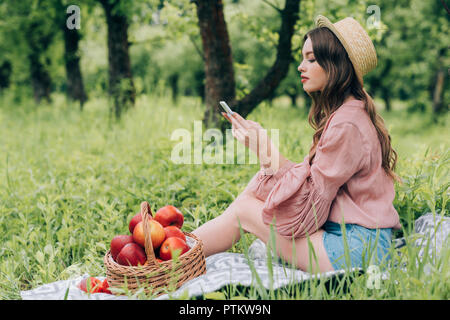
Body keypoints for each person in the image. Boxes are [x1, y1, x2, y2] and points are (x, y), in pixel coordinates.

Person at [192, 15, 401, 273]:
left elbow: (309, 211)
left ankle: (173, 256)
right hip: (353, 242)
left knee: (245, 211)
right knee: (251, 195)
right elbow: (311, 185)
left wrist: (265, 150)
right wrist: (265, 153)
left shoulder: (347, 123)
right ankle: (177, 246)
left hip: (356, 250)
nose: (301, 66)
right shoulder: (348, 113)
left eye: (311, 59)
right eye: (303, 58)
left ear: (337, 65)